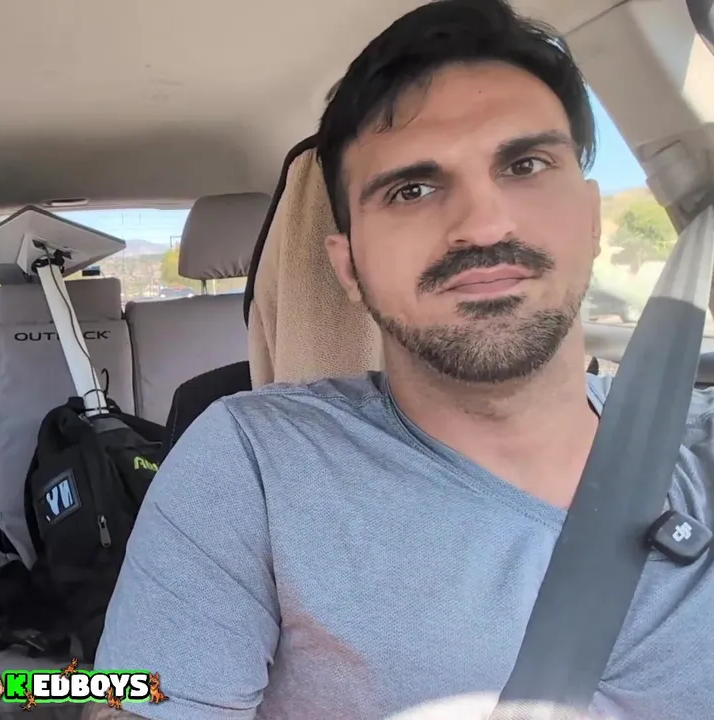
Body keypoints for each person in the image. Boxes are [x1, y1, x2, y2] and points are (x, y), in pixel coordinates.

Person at [87, 0, 714, 718]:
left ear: (593, 219)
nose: (484, 224)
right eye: (412, 189)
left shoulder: (700, 444)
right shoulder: (253, 465)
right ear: (347, 267)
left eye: (526, 164)